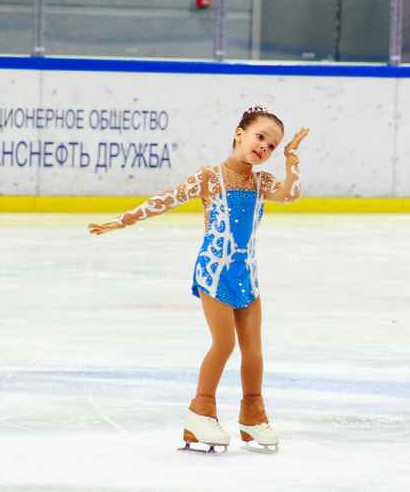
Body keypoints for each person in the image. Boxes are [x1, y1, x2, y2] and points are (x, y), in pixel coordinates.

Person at [88, 107, 310, 454]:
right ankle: (200, 411)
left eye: (272, 145)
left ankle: (252, 415)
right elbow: (166, 200)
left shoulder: (262, 182)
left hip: (246, 274)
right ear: (239, 134)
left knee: (253, 349)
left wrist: (291, 156)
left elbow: (291, 194)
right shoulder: (210, 177)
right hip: (214, 271)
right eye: (260, 137)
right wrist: (123, 220)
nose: (264, 147)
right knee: (224, 343)